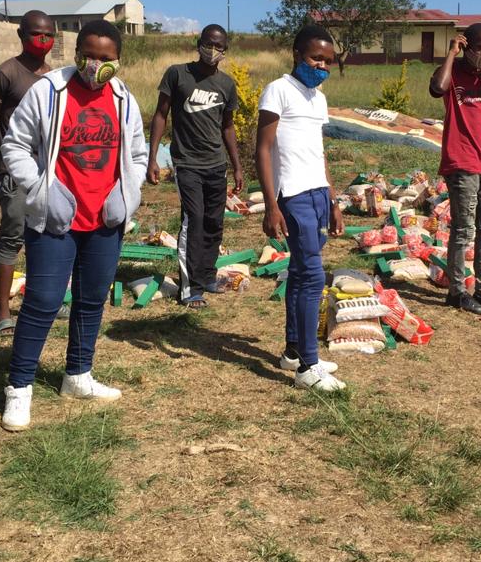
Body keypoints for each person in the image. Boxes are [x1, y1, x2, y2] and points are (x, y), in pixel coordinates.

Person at [0, 19, 147, 431]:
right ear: (75, 51)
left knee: (91, 298)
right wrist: (40, 190)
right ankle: (19, 387)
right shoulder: (48, 92)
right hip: (55, 217)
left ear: (118, 60)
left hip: (105, 219)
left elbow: (136, 152)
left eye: (106, 58)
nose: (95, 65)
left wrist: (127, 194)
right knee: (44, 299)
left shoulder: (123, 98)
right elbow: (15, 145)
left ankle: (78, 375)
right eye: (88, 55)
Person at [255, 24, 346, 391]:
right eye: (315, 58)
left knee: (299, 272)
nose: (321, 65)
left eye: (328, 61)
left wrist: (333, 198)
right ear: (297, 54)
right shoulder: (279, 90)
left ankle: (294, 350)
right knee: (311, 277)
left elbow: (317, 151)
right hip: (292, 195)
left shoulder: (318, 97)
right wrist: (270, 205)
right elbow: (263, 149)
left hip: (317, 194)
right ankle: (308, 368)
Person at [146, 24, 244, 308]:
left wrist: (236, 166)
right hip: (187, 163)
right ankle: (190, 289)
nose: (213, 50)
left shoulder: (226, 84)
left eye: (219, 46)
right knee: (194, 220)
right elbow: (161, 115)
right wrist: (153, 157)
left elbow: (228, 127)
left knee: (214, 222)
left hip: (216, 164)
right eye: (209, 44)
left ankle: (207, 276)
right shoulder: (178, 74)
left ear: (225, 51)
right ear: (198, 43)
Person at [0, 10, 57, 336]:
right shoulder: (5, 74)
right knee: (12, 237)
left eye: (49, 34)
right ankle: (2, 313)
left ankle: (45, 301)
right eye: (37, 34)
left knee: (49, 236)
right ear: (22, 36)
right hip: (15, 172)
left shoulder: (54, 76)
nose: (44, 40)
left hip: (48, 173)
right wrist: (3, 159)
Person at [429, 23, 481, 315]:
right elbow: (437, 88)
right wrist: (451, 54)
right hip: (460, 162)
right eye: (480, 47)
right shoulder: (454, 74)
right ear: (467, 46)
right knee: (463, 229)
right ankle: (457, 291)